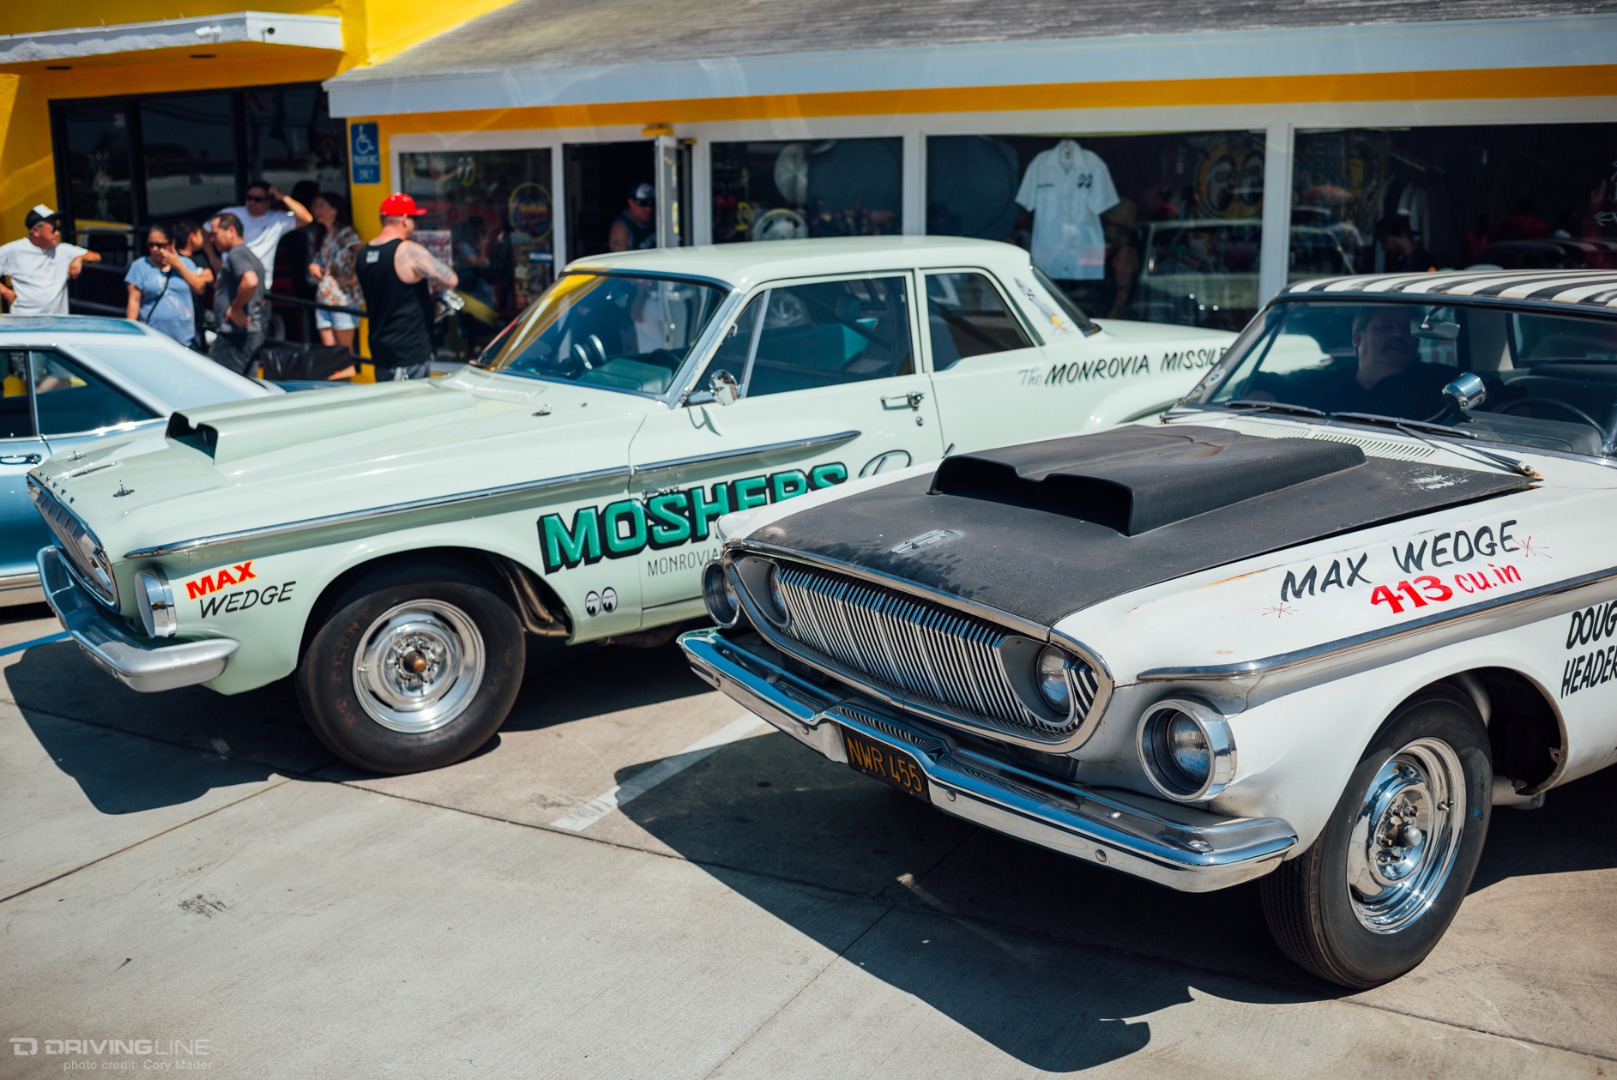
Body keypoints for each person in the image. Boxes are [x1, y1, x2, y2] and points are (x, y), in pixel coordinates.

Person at [1269, 306, 1454, 418]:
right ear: (1357, 338)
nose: (1397, 334)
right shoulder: (1326, 384)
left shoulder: (1438, 383)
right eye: (1386, 326)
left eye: (1407, 328)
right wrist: (1263, 390)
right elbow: (1265, 383)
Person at [355, 192, 458, 381]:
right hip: (408, 351)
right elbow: (451, 279)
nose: (415, 225)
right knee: (409, 399)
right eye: (414, 219)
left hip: (380, 348)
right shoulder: (408, 251)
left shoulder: (364, 253)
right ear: (404, 220)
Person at [205, 179, 312, 289]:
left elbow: (307, 219)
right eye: (249, 198)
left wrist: (282, 197)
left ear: (269, 202)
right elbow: (204, 230)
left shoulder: (277, 219)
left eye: (258, 200)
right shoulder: (230, 214)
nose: (252, 202)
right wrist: (212, 257)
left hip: (259, 285)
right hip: (230, 281)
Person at [0, 205, 100, 315]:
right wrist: (6, 292)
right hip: (24, 319)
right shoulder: (14, 250)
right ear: (36, 231)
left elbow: (96, 256)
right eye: (53, 228)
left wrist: (79, 258)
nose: (57, 233)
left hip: (57, 320)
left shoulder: (62, 250)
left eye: (58, 228)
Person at [124, 223, 209, 347]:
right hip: (153, 338)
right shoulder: (140, 266)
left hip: (183, 340)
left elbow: (200, 288)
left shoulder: (186, 263)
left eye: (159, 245)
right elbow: (134, 302)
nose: (154, 249)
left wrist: (178, 265)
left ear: (171, 244)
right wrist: (130, 333)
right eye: (150, 245)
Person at [208, 212, 268, 375]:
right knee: (247, 383)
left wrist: (235, 308)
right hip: (247, 333)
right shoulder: (249, 255)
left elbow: (250, 281)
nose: (212, 239)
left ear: (231, 231)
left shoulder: (237, 254)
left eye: (215, 234)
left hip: (235, 334)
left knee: (224, 382)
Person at [306, 192, 364, 352]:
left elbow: (362, 253)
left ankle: (348, 370)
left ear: (334, 210)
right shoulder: (323, 234)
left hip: (343, 299)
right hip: (324, 297)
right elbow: (321, 259)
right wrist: (313, 266)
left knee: (344, 350)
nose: (317, 211)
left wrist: (354, 277)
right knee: (330, 351)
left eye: (321, 206)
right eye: (315, 206)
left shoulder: (346, 233)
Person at [608, 183, 657, 252]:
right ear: (631, 202)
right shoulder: (621, 228)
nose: (648, 209)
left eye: (651, 203)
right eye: (642, 204)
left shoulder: (657, 218)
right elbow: (620, 257)